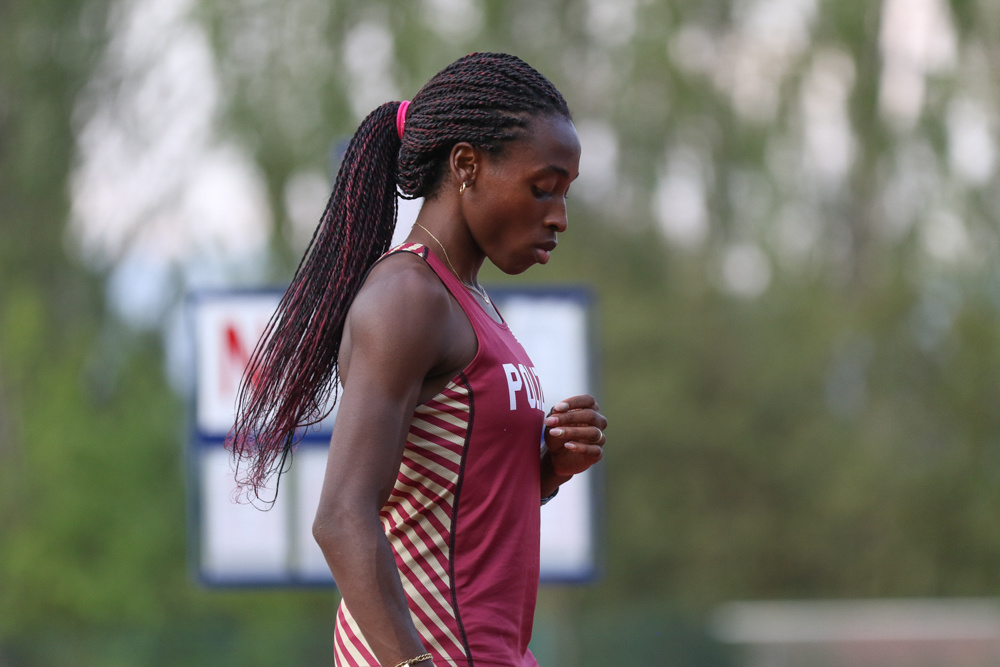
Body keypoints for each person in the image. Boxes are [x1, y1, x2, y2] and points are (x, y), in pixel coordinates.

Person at [229, 52, 608, 667]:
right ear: (466, 165)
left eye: (565, 193)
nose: (559, 217)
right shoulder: (408, 297)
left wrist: (549, 468)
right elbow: (341, 517)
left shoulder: (468, 300)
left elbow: (456, 501)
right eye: (543, 188)